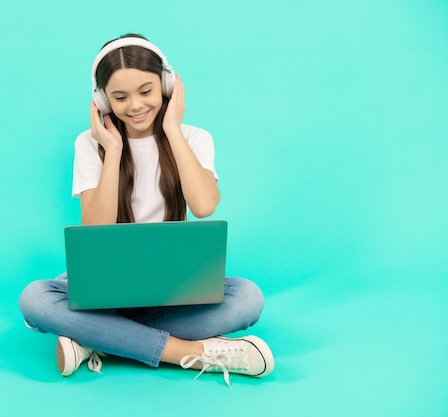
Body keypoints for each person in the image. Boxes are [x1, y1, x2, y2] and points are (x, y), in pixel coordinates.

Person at [18, 33, 274, 387]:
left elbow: (203, 206)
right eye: (120, 97)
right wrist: (113, 149)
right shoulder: (90, 143)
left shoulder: (195, 138)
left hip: (173, 291)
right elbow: (97, 228)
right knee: (34, 298)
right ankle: (192, 353)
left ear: (167, 86)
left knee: (247, 298)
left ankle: (97, 342)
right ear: (102, 100)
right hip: (105, 291)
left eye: (146, 91)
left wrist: (172, 129)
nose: (135, 105)